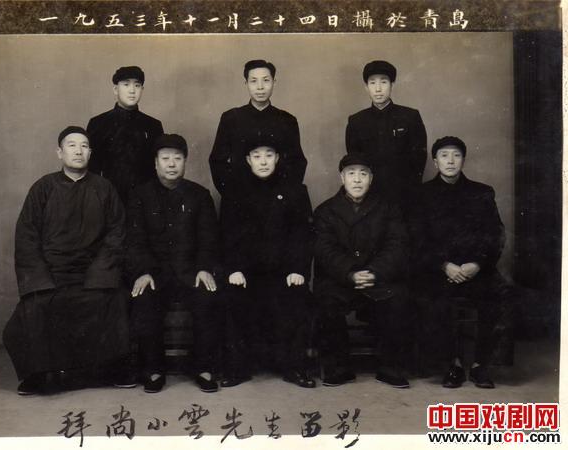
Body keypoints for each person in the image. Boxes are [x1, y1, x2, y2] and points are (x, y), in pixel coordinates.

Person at [3, 126, 130, 395]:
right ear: (60, 152)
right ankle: (39, 375)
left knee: (113, 301)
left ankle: (107, 371)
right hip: (52, 273)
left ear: (90, 153)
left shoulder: (104, 188)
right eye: (71, 145)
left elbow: (116, 234)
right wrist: (40, 279)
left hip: (93, 272)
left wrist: (99, 273)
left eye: (84, 146)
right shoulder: (43, 188)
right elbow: (27, 237)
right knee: (34, 308)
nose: (78, 151)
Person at [411, 136, 514, 389]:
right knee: (431, 299)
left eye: (456, 155)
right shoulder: (421, 194)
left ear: (463, 160)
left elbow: (495, 235)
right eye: (444, 155)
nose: (450, 161)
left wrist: (477, 264)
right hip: (438, 269)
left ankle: (481, 364)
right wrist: (444, 265)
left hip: (476, 269)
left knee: (502, 295)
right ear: (435, 161)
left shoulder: (482, 192)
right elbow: (417, 239)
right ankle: (452, 364)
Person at [125, 134, 222, 393]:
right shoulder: (140, 195)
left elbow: (209, 238)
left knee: (208, 296)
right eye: (165, 158)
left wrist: (203, 268)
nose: (171, 164)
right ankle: (154, 370)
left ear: (185, 162)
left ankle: (203, 368)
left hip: (190, 272)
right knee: (144, 298)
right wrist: (143, 271)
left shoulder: (199, 195)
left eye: (177, 158)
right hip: (155, 273)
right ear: (155, 163)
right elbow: (135, 240)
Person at [219, 139, 315, 388]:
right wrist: (234, 269)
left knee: (297, 294)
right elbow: (228, 233)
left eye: (269, 155)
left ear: (277, 158)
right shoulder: (234, 191)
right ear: (248, 160)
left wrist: (297, 269)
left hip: (283, 271)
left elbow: (302, 234)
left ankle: (295, 368)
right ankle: (237, 369)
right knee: (232, 295)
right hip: (247, 272)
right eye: (257, 156)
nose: (263, 161)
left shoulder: (295, 190)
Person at [313, 153, 410, 388]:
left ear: (371, 178)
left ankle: (390, 368)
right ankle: (338, 368)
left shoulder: (388, 208)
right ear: (342, 177)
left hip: (379, 278)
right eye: (351, 174)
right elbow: (325, 250)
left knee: (399, 298)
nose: (357, 180)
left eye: (363, 174)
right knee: (326, 301)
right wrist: (350, 273)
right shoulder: (325, 211)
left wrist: (374, 272)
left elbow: (397, 245)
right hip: (341, 279)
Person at [209, 59, 307, 196]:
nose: (260, 87)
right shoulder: (231, 118)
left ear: (274, 82)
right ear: (246, 83)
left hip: (278, 200)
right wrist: (233, 194)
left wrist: (283, 196)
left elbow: (297, 162)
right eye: (254, 81)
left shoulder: (287, 120)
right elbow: (217, 161)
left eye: (266, 80)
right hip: (240, 198)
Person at [345, 60, 427, 210]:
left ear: (392, 85)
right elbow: (355, 161)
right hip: (369, 198)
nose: (378, 89)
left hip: (404, 197)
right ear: (366, 87)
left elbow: (418, 161)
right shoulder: (356, 121)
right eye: (372, 83)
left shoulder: (410, 117)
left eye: (383, 82)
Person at [87, 65, 164, 204]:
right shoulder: (98, 123)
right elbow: (92, 169)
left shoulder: (153, 125)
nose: (132, 90)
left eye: (137, 85)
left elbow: (158, 168)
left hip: (145, 201)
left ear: (142, 90)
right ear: (115, 89)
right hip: (108, 200)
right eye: (126, 84)